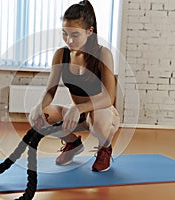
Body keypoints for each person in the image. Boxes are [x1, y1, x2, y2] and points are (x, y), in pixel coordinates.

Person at [29, 0, 120, 172]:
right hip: (77, 113)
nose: (69, 40)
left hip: (101, 112)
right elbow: (51, 89)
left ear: (89, 31)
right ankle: (73, 143)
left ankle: (105, 148)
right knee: (38, 117)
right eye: (65, 33)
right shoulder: (61, 55)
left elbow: (109, 97)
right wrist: (40, 107)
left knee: (100, 122)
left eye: (75, 35)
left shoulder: (103, 54)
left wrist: (79, 108)